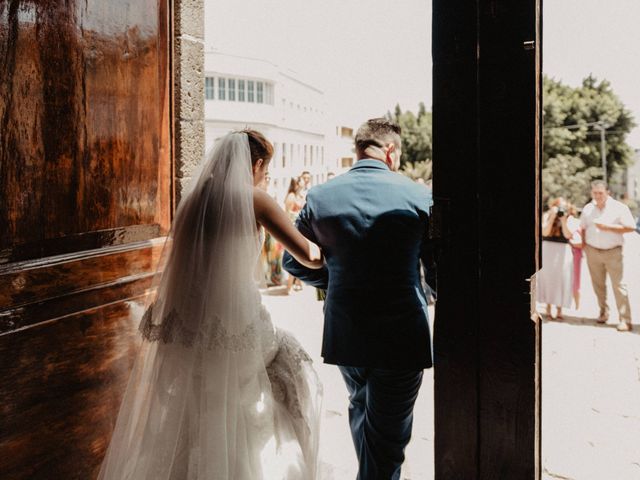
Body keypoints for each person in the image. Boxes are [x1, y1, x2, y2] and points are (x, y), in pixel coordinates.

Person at [99, 130, 324, 480]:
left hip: (190, 329)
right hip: (239, 328)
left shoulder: (193, 201)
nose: (265, 177)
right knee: (292, 365)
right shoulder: (254, 199)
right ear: (257, 164)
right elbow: (309, 257)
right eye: (265, 170)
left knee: (199, 407)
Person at [284, 118, 433, 480]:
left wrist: (334, 278)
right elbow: (437, 267)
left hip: (347, 330)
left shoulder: (321, 196)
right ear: (391, 151)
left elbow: (293, 260)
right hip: (400, 333)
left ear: (359, 149)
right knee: (388, 438)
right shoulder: (418, 196)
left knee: (361, 409)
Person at [580, 180, 636, 331]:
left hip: (613, 252)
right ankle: (603, 313)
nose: (598, 196)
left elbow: (631, 227)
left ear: (608, 192)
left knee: (619, 286)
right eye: (595, 193)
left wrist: (608, 227)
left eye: (601, 193)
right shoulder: (587, 208)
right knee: (598, 286)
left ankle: (625, 319)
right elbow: (583, 228)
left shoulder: (619, 207)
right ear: (592, 193)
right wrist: (584, 247)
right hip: (592, 251)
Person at [537, 197, 575, 319]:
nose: (560, 210)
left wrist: (563, 220)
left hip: (563, 250)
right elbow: (545, 233)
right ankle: (548, 307)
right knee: (547, 278)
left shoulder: (570, 218)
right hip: (548, 249)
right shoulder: (546, 216)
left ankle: (559, 309)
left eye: (563, 207)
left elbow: (568, 234)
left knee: (562, 278)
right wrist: (552, 217)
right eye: (558, 206)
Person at [284, 177, 306, 294]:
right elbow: (287, 214)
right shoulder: (291, 196)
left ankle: (298, 282)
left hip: (300, 229)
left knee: (299, 257)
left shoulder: (299, 196)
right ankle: (289, 286)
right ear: (296, 185)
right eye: (301, 183)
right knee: (293, 257)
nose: (303, 185)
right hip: (293, 228)